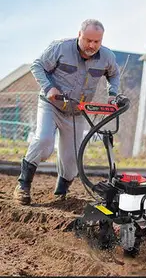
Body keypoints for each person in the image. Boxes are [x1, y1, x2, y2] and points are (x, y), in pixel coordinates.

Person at [13, 19, 120, 205]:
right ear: (79, 35)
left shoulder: (107, 56)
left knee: (72, 160)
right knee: (44, 141)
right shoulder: (61, 48)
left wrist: (113, 94)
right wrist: (49, 88)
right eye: (88, 40)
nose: (92, 45)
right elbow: (37, 65)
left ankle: (60, 194)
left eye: (97, 41)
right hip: (51, 105)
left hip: (77, 111)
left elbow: (114, 74)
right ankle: (23, 185)